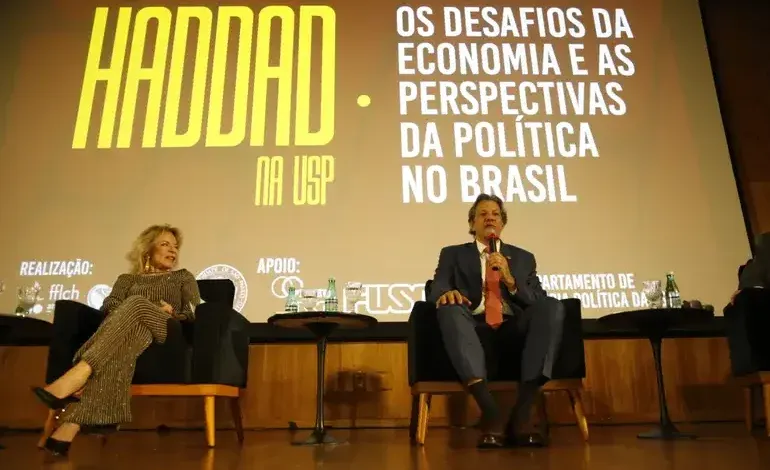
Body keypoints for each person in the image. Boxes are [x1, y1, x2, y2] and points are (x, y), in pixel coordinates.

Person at [31, 224, 201, 457]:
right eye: (165, 244)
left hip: (166, 329)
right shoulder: (127, 279)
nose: (173, 250)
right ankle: (69, 428)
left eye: (175, 246)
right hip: (132, 333)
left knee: (137, 303)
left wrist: (171, 312)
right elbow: (109, 306)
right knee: (124, 344)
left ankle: (80, 372)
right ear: (148, 250)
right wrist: (128, 313)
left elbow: (192, 313)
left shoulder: (183, 277)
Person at [429, 193, 565, 449]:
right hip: (472, 325)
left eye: (495, 214)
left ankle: (523, 414)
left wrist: (511, 280)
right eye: (483, 214)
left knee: (552, 307)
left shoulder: (523, 258)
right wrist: (446, 293)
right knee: (450, 308)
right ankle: (491, 413)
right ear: (472, 224)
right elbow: (436, 287)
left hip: (515, 328)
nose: (490, 217)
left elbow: (537, 298)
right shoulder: (453, 254)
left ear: (502, 224)